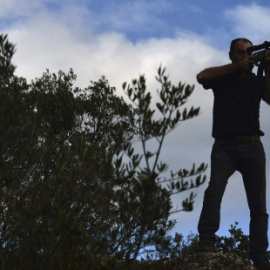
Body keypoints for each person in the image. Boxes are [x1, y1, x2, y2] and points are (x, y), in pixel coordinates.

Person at [196, 38, 270, 270]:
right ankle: (206, 241)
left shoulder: (255, 80)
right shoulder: (223, 77)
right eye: (240, 52)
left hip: (252, 145)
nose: (244, 56)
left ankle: (260, 256)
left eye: (248, 52)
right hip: (224, 146)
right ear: (231, 55)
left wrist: (268, 67)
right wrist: (235, 68)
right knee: (214, 190)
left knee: (258, 204)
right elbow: (202, 77)